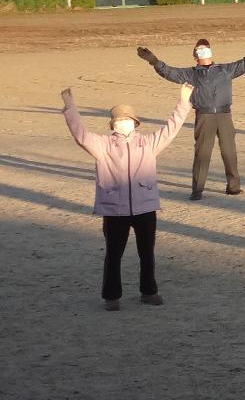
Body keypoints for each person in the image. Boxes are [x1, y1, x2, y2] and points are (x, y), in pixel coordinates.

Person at [62, 84, 194, 310]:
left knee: (147, 253)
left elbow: (171, 128)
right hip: (115, 210)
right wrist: (70, 107)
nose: (124, 123)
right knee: (113, 254)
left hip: (145, 208)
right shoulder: (102, 145)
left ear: (135, 123)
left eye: (128, 120)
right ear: (113, 125)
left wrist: (183, 102)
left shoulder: (149, 143)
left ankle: (149, 291)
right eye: (119, 120)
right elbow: (81, 135)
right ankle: (111, 296)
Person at [137, 30, 245, 200]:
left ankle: (233, 186)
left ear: (211, 51)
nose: (203, 51)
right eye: (199, 49)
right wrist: (154, 61)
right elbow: (169, 72)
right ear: (195, 54)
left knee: (229, 152)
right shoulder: (191, 74)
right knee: (202, 153)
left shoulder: (225, 70)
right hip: (204, 117)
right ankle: (197, 190)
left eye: (205, 48)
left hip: (224, 115)